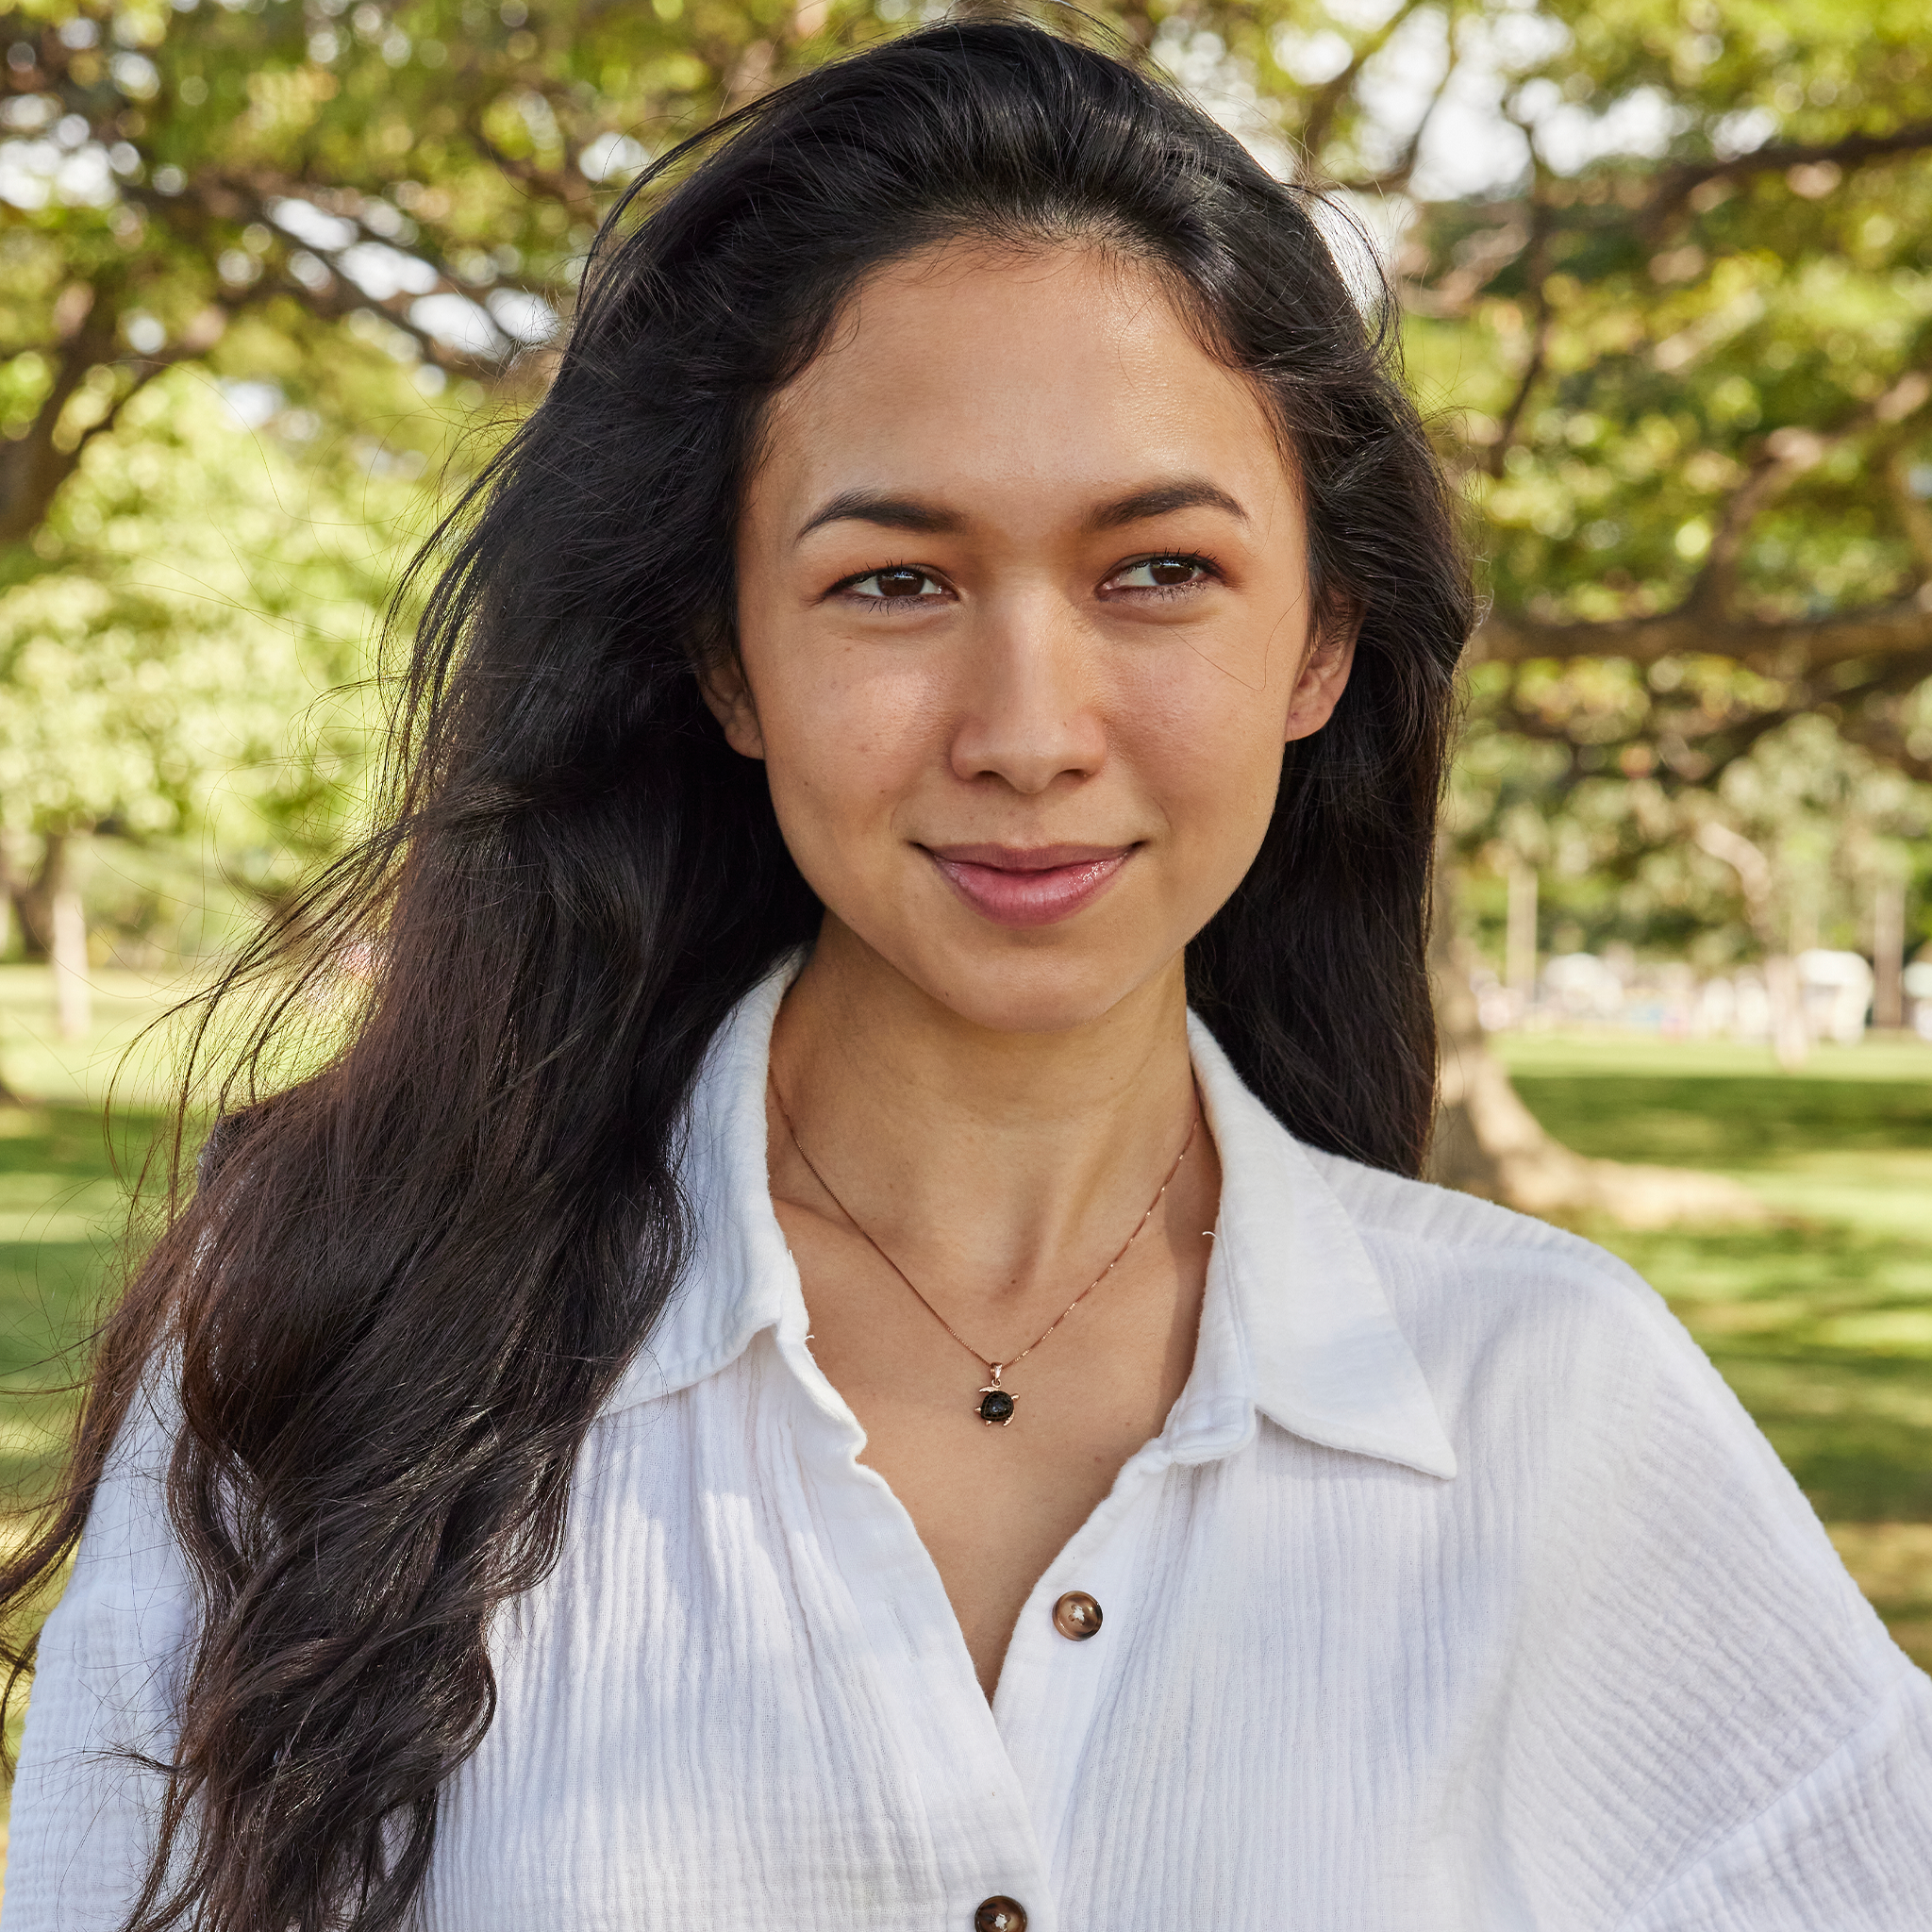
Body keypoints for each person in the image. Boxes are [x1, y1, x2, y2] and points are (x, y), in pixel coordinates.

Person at [6, 16, 1930, 1932]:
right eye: (895, 580)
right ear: (728, 659)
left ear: (1320, 642)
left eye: (1157, 569)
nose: (1028, 729)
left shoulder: (1545, 1399)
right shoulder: (332, 1344)